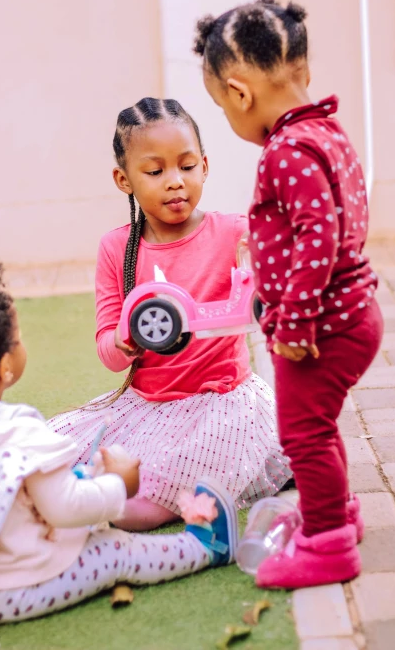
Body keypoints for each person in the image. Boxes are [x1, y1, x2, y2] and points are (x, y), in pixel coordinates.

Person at [0, 255, 238, 624]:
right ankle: (205, 547)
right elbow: (65, 509)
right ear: (5, 364)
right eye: (16, 339)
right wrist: (118, 485)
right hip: (4, 591)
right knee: (114, 551)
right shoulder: (16, 431)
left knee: (70, 493)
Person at [193, 0, 383, 589]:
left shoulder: (288, 150)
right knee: (317, 426)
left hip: (324, 326)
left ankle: (327, 546)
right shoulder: (325, 133)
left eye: (221, 106)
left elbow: (319, 235)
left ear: (239, 92)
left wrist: (295, 323)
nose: (229, 117)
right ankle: (338, 514)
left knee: (302, 433)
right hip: (352, 313)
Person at [50, 97, 292, 531]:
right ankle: (73, 494)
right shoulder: (117, 248)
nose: (175, 182)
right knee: (52, 451)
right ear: (124, 180)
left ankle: (106, 510)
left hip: (220, 405)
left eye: (186, 166)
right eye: (156, 171)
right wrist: (125, 341)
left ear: (204, 165)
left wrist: (266, 257)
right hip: (148, 407)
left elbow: (275, 280)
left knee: (159, 492)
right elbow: (108, 348)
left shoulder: (234, 232)